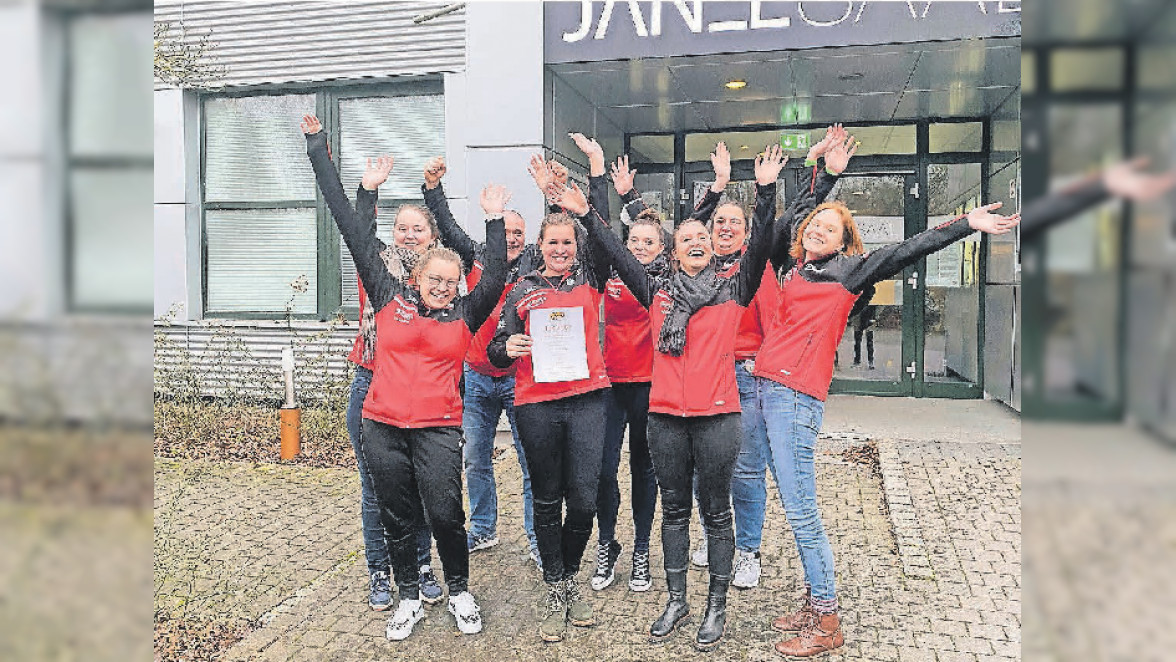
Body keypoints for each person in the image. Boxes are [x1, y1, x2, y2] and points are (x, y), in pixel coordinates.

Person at [754, 134, 1020, 657]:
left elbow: (906, 249)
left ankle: (828, 620)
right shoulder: (795, 267)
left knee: (802, 508)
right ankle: (815, 601)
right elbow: (800, 208)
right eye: (815, 225)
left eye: (830, 230)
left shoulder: (850, 272)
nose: (817, 230)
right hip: (769, 389)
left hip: (794, 397)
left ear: (842, 243)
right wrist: (822, 172)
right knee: (792, 503)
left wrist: (966, 224)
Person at [567, 141, 787, 651]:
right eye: (684, 236)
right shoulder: (655, 292)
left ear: (711, 245)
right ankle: (677, 599)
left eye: (700, 235)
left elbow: (760, 240)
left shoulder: (736, 287)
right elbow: (619, 252)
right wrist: (587, 211)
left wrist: (766, 189)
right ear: (673, 250)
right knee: (673, 512)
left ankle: (716, 605)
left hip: (716, 419)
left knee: (716, 512)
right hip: (664, 417)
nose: (694, 240)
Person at [615, 126, 851, 589]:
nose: (724, 228)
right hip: (698, 376)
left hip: (747, 373)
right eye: (717, 222)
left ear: (745, 232)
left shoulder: (757, 262)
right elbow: (657, 234)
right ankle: (712, 534)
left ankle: (746, 549)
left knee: (745, 469)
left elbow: (793, 216)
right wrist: (628, 195)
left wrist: (821, 172)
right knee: (704, 467)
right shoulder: (686, 268)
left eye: (733, 223)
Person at [304, 116, 509, 641]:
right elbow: (351, 229)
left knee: (444, 513)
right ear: (414, 278)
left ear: (459, 284)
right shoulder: (388, 297)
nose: (442, 286)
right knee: (396, 515)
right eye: (432, 279)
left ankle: (460, 590)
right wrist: (333, 163)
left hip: (439, 427)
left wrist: (492, 220)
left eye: (450, 281)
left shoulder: (466, 312)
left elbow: (499, 273)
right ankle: (410, 596)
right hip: (383, 425)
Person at [299, 116, 440, 612]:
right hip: (371, 383)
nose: (407, 235)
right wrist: (329, 157)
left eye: (416, 228)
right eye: (400, 227)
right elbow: (349, 220)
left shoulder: (442, 281)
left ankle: (421, 566)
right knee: (375, 489)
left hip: (423, 392)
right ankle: (381, 571)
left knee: (424, 484)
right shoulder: (374, 266)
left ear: (431, 235)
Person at [485, 159, 613, 643]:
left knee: (583, 499)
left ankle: (568, 573)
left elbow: (603, 241)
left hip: (586, 400)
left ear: (576, 248)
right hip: (536, 403)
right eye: (552, 242)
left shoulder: (591, 281)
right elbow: (498, 346)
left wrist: (567, 201)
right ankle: (556, 587)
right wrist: (508, 348)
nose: (560, 249)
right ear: (540, 247)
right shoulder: (522, 289)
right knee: (545, 498)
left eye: (567, 242)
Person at [419, 156, 543, 568]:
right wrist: (433, 188)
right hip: (475, 376)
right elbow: (448, 226)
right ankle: (485, 528)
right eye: (505, 231)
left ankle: (537, 539)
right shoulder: (474, 256)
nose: (511, 239)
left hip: (520, 377)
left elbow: (569, 240)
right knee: (475, 457)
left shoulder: (535, 267)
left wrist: (554, 192)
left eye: (518, 233)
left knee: (530, 459)